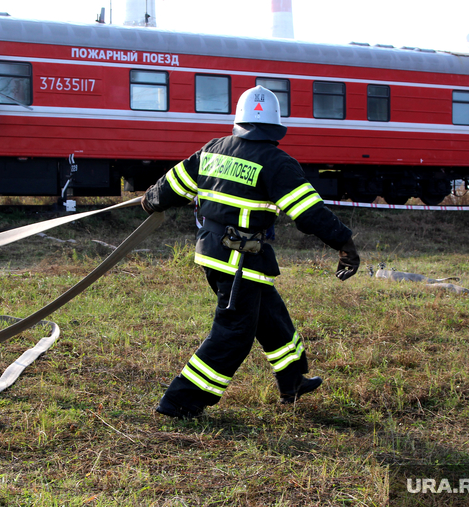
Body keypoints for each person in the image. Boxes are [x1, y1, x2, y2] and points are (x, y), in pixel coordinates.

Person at [141, 85, 360, 418]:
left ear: (239, 120)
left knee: (271, 319)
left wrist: (151, 199)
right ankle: (180, 401)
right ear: (275, 124)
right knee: (234, 334)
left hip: (216, 253)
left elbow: (174, 184)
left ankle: (293, 381)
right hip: (238, 261)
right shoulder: (277, 162)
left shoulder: (214, 148)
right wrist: (344, 243)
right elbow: (309, 213)